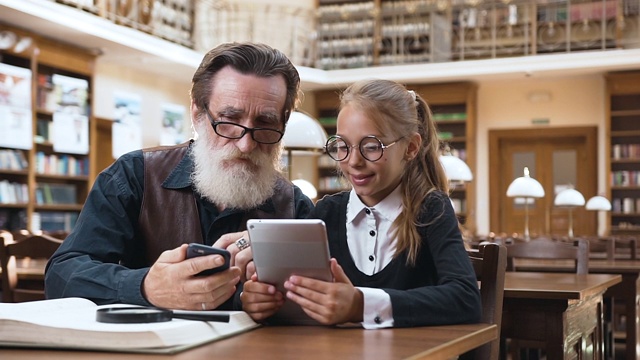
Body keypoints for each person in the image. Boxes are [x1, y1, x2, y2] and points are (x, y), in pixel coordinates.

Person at [45, 42, 314, 311]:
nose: (246, 145)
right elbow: (61, 275)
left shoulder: (294, 205)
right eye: (229, 121)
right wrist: (145, 286)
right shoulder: (133, 176)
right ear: (197, 114)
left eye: (266, 124)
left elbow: (317, 302)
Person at [241, 79, 482, 328]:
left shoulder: (432, 209)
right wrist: (265, 302)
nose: (354, 161)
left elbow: (466, 300)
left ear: (410, 147)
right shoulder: (325, 213)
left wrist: (361, 305)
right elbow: (301, 304)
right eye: (343, 146)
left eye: (371, 147)